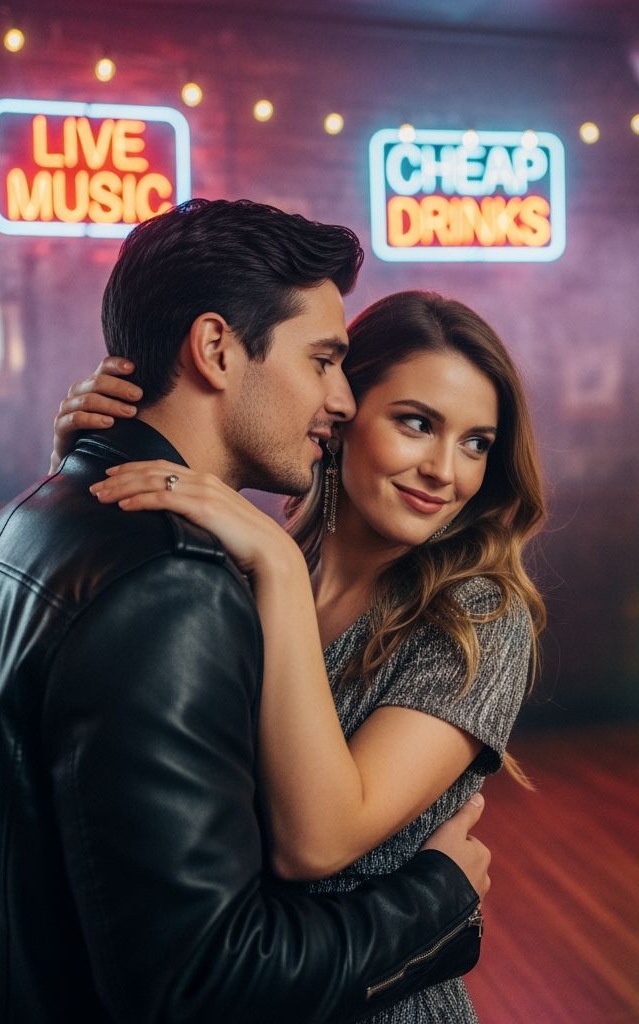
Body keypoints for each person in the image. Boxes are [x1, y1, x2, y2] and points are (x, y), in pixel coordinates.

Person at [0, 199, 492, 1024]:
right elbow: (205, 983)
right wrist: (438, 901)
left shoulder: (10, 532)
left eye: (476, 442)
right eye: (321, 360)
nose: (338, 399)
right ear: (214, 348)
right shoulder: (177, 582)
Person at [53, 288, 548, 1023]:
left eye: (476, 443)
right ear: (341, 414)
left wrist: (279, 570)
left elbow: (318, 842)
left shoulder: (477, 615)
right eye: (417, 424)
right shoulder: (253, 560)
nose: (447, 471)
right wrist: (81, 467)